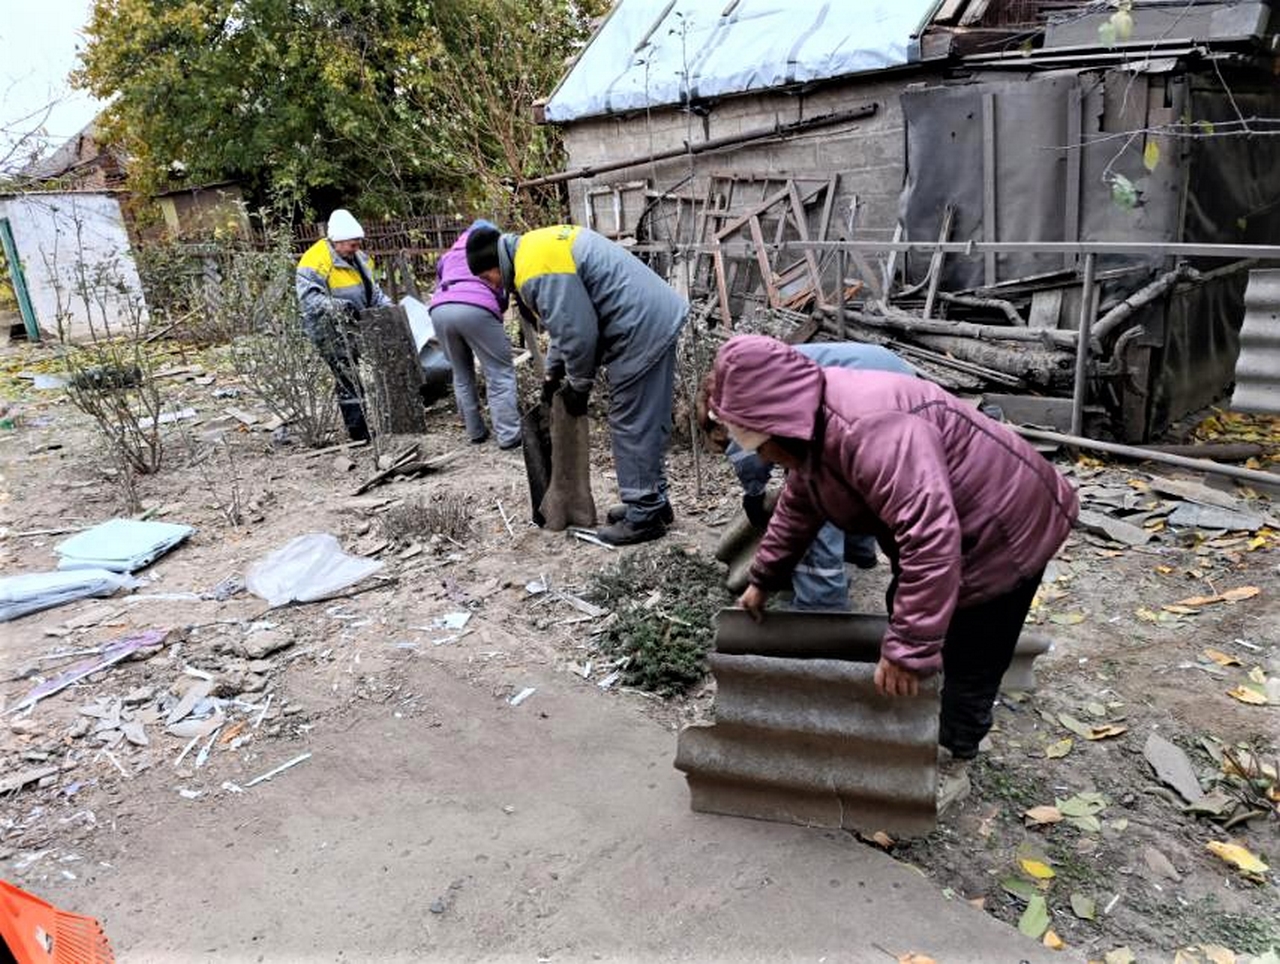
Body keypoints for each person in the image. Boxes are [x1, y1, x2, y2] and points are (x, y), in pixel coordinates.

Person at [708, 334, 1078, 762]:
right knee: (913, 616)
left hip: (1007, 527)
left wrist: (907, 651)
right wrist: (764, 578)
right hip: (955, 528)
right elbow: (800, 504)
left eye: (760, 446)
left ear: (777, 424)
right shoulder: (814, 423)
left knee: (973, 650)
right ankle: (920, 707)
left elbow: (930, 540)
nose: (766, 458)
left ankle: (954, 753)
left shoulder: (871, 429)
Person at [466, 224, 688, 546]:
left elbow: (578, 332)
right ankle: (653, 501)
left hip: (639, 326)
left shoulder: (534, 269)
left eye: (488, 278)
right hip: (650, 317)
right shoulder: (535, 248)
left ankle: (645, 515)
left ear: (496, 264)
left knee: (630, 421)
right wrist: (552, 375)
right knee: (644, 420)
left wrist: (579, 385)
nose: (493, 285)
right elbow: (565, 323)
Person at [698, 341, 915, 611]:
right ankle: (859, 551)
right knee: (854, 486)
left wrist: (753, 493)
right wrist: (764, 578)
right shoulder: (766, 377)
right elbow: (794, 499)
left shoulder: (732, 405)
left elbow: (752, 461)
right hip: (890, 374)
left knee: (822, 498)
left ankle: (821, 601)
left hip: (880, 394)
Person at [296, 209, 393, 441]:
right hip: (328, 330)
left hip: (355, 325)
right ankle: (358, 431)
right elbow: (309, 300)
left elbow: (373, 292)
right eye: (352, 244)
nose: (356, 248)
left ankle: (369, 423)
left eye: (358, 243)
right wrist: (339, 306)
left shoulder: (359, 259)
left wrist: (390, 308)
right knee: (347, 378)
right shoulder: (315, 260)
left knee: (358, 374)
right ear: (337, 242)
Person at [430, 219, 520, 449]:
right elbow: (502, 288)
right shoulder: (493, 254)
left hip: (440, 310)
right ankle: (509, 435)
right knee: (499, 371)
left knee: (461, 372)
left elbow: (439, 281)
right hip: (476, 308)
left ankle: (475, 431)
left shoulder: (449, 254)